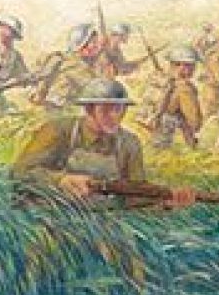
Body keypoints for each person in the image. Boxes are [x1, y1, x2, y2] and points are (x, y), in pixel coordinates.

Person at [14, 77, 194, 207]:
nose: (114, 116)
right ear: (89, 110)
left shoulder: (129, 144)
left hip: (103, 224)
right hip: (53, 216)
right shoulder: (58, 131)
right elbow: (19, 173)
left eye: (119, 109)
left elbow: (135, 195)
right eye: (106, 110)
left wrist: (165, 202)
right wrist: (60, 180)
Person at [30, 24, 104, 109]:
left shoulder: (71, 58)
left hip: (61, 105)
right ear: (82, 45)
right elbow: (96, 87)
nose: (97, 45)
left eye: (96, 41)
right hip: (59, 106)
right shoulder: (74, 64)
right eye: (93, 42)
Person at [151, 46, 203, 149]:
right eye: (192, 65)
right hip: (167, 138)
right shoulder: (184, 88)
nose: (194, 69)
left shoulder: (166, 81)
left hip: (155, 130)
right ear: (183, 66)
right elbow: (194, 121)